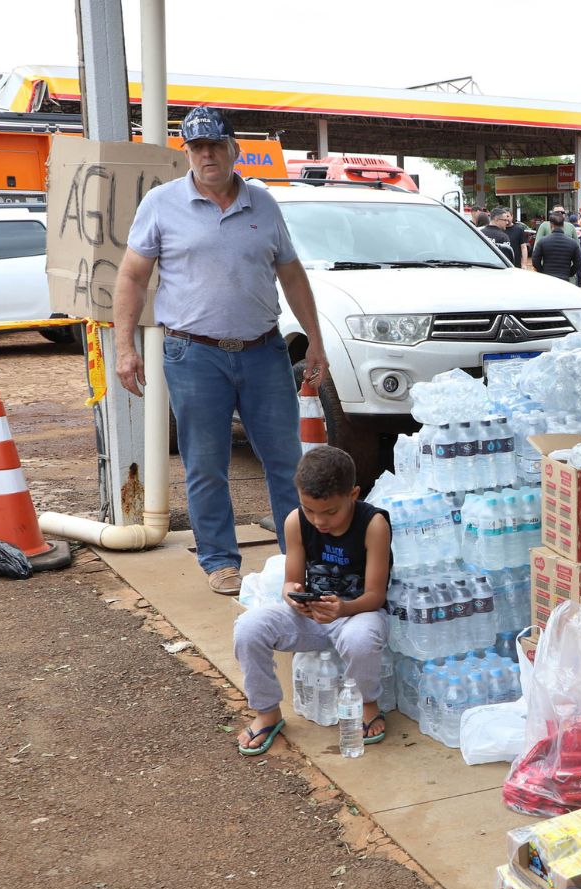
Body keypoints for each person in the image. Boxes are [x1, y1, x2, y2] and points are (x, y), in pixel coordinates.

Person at [114, 105, 330, 596]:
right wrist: (125, 347)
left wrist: (314, 339)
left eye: (215, 145)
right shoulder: (161, 204)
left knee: (284, 460)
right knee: (206, 463)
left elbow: (291, 273)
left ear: (235, 148)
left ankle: (299, 556)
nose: (207, 155)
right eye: (196, 147)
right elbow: (131, 276)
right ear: (187, 153)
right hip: (195, 354)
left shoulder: (264, 204)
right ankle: (219, 560)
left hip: (263, 350)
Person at [232, 446, 391, 756]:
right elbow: (292, 580)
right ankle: (267, 710)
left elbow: (375, 595)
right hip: (310, 615)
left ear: (354, 494)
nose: (319, 520)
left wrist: (344, 608)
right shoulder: (295, 521)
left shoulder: (374, 524)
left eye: (330, 512)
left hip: (356, 612)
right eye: (309, 509)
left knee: (361, 639)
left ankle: (367, 704)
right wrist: (294, 597)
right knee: (248, 627)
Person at [531, 210, 581, 282]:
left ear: (551, 225)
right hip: (565, 279)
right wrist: (569, 273)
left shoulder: (542, 242)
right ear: (563, 225)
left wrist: (542, 272)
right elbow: (578, 263)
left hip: (547, 279)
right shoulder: (573, 243)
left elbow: (535, 260)